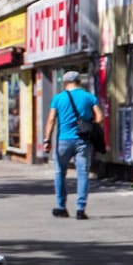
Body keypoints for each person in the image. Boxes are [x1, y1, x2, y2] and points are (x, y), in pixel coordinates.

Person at [45, 69, 104, 219]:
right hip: (83, 140)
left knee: (60, 173)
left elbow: (51, 119)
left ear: (65, 83)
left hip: (63, 141)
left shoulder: (58, 98)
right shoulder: (89, 97)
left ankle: (61, 207)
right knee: (82, 174)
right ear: (79, 82)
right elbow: (100, 117)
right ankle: (80, 209)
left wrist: (47, 140)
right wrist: (91, 128)